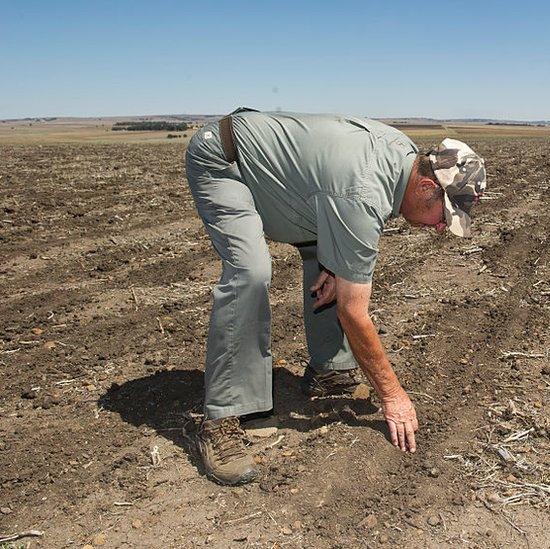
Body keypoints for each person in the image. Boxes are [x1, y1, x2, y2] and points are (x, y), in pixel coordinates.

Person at [184, 109, 486, 485]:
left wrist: (335, 260)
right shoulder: (362, 191)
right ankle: (222, 418)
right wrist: (393, 396)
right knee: (251, 270)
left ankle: (329, 370)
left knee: (331, 262)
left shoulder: (408, 159)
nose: (442, 226)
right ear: (427, 188)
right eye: (445, 214)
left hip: (289, 180)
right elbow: (354, 313)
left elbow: (333, 199)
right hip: (225, 160)